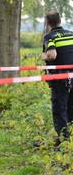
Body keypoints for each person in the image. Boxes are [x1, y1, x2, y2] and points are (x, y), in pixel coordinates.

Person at [42, 11, 73, 140]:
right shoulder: (71, 34)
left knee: (60, 109)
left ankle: (64, 141)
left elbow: (52, 55)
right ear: (60, 20)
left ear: (48, 23)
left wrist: (43, 56)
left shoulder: (50, 36)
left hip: (60, 79)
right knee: (71, 107)